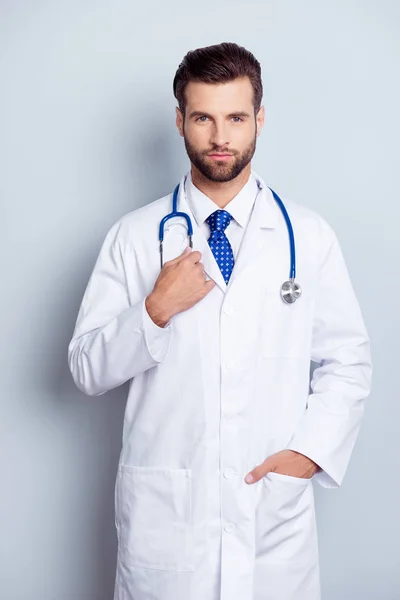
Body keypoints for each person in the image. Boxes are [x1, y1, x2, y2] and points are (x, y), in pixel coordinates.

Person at [68, 42, 372, 600]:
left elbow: (347, 361)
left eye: (235, 117)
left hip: (270, 520)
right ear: (180, 120)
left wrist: (308, 454)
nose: (220, 138)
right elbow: (86, 369)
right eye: (203, 117)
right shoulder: (136, 237)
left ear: (259, 118)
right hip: (168, 525)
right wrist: (155, 309)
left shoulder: (307, 235)